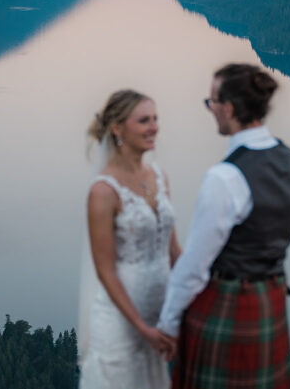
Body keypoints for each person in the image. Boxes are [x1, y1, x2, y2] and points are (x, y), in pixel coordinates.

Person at [156, 64, 290, 389]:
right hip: (271, 299)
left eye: (211, 101)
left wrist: (168, 325)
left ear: (229, 108)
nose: (210, 109)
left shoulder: (225, 178)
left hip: (227, 305)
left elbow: (195, 266)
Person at [80, 89, 181, 389]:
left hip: (158, 315)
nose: (154, 127)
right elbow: (105, 271)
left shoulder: (160, 177)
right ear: (117, 128)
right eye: (144, 121)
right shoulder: (103, 191)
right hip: (121, 323)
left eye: (155, 118)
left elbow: (173, 250)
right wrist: (141, 327)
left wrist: (187, 305)